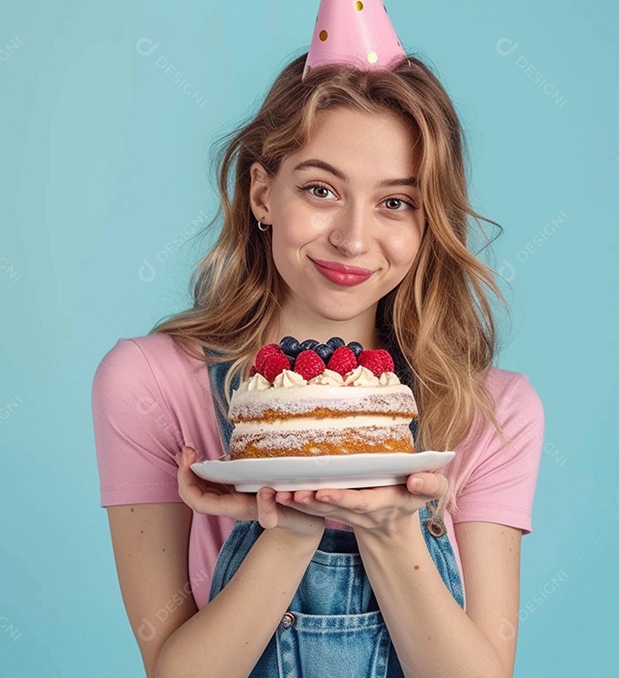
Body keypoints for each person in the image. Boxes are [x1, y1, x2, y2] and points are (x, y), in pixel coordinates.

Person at [91, 2, 544, 676]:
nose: (353, 239)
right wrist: (291, 525)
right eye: (321, 190)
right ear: (263, 194)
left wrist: (392, 530)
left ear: (428, 223)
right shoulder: (150, 386)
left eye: (396, 202)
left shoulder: (492, 413)